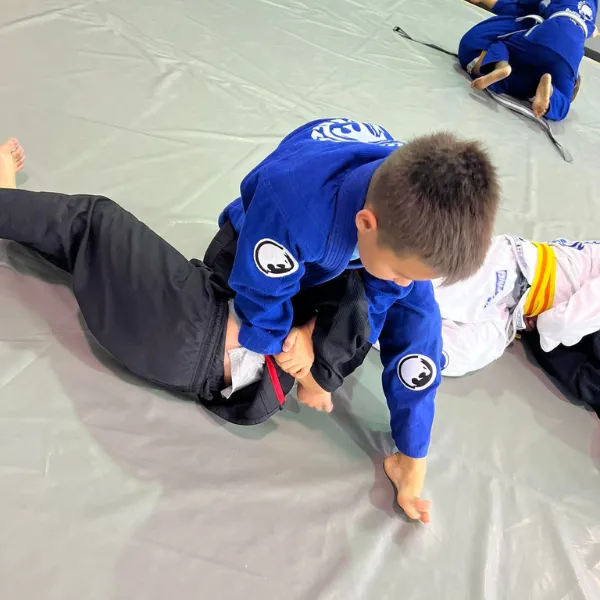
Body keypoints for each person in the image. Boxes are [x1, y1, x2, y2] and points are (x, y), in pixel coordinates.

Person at [218, 117, 500, 523]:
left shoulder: (408, 202)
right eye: (403, 271)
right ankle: (315, 371)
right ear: (367, 224)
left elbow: (389, 295)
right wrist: (287, 343)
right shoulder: (294, 207)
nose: (406, 283)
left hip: (359, 247)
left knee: (421, 318)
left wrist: (313, 334)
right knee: (257, 376)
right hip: (258, 237)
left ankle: (410, 460)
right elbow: (260, 291)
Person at [0, 138, 374, 432]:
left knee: (94, 221)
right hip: (198, 349)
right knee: (90, 249)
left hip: (190, 331)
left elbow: (351, 310)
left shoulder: (352, 282)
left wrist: (314, 374)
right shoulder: (346, 267)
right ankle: (10, 203)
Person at [434, 234, 600, 377]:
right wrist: (541, 324)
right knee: (437, 290)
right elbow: (566, 324)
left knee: (464, 354)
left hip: (515, 312)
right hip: (513, 270)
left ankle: (410, 331)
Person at [461, 0, 598, 119]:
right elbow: (592, 29)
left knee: (503, 45)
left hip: (546, 34)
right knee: (564, 104)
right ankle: (550, 94)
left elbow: (526, 5)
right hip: (571, 55)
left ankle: (500, 64)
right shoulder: (593, 9)